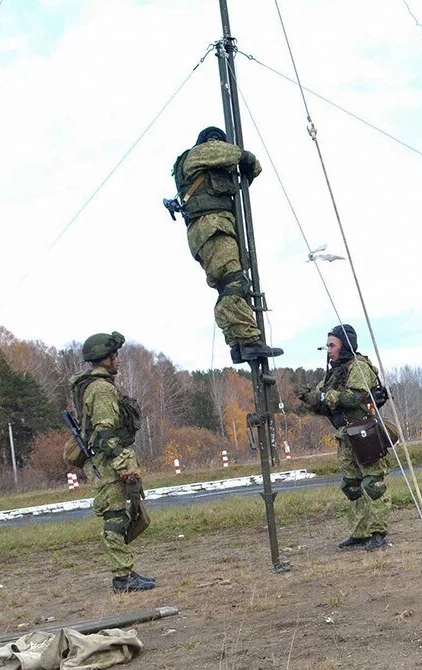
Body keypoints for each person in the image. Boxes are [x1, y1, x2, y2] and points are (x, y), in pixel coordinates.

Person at [170, 127, 282, 364]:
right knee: (233, 282)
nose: (216, 145)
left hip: (214, 227)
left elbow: (251, 171)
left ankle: (238, 343)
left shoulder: (216, 168)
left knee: (227, 284)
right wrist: (245, 157)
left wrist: (246, 165)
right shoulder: (197, 155)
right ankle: (249, 341)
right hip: (212, 226)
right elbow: (236, 156)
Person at [71, 331, 155, 593]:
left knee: (122, 515)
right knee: (116, 519)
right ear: (104, 359)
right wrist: (124, 468)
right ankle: (123, 577)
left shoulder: (98, 387)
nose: (118, 359)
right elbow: (107, 434)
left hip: (110, 462)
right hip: (111, 464)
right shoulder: (102, 390)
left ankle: (125, 572)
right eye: (115, 355)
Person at [299, 325, 390, 551]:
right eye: (326, 346)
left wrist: (324, 396)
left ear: (345, 346)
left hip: (364, 431)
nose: (328, 350)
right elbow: (322, 399)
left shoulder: (358, 366)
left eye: (332, 345)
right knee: (352, 486)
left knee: (373, 483)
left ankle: (378, 532)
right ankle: (360, 533)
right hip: (344, 436)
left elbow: (354, 397)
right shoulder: (334, 371)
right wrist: (309, 398)